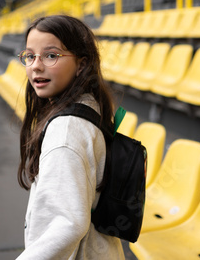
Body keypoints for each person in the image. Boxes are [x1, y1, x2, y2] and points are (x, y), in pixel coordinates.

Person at [16, 15, 125, 259]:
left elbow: (67, 225)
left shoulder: (65, 133)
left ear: (81, 65)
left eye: (51, 55)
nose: (36, 65)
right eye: (30, 55)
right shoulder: (88, 106)